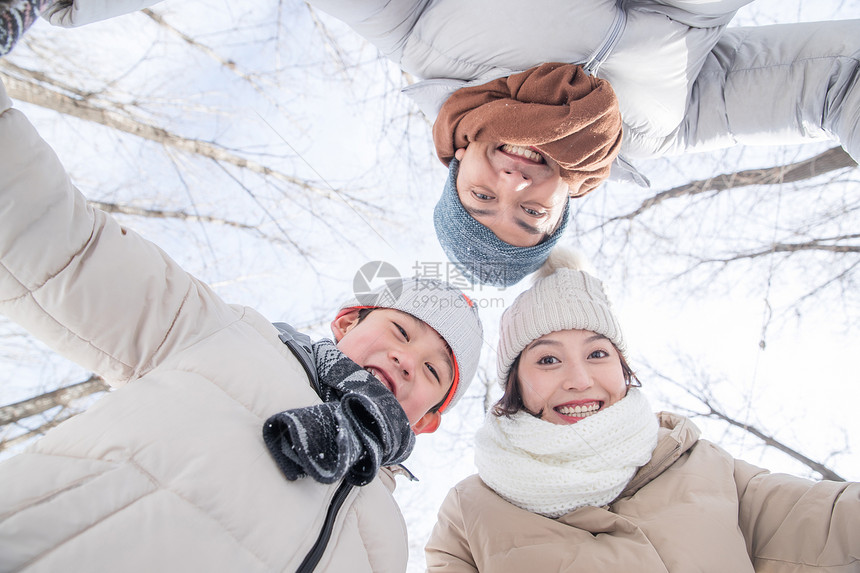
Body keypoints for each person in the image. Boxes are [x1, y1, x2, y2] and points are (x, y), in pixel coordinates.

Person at [0, 74, 484, 572]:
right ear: (347, 323)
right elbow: (69, 252)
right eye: (401, 331)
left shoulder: (385, 539)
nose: (407, 360)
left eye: (433, 372)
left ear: (426, 420)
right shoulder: (220, 337)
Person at [304, 0, 860, 286]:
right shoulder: (652, 133)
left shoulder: (419, 42)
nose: (514, 186)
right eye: (528, 213)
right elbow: (837, 80)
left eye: (481, 199)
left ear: (456, 165)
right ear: (563, 205)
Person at [424, 248, 859, 572]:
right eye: (548, 359)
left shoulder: (705, 466)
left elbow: (826, 520)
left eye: (597, 354)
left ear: (623, 369)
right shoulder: (470, 511)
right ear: (515, 384)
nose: (579, 379)